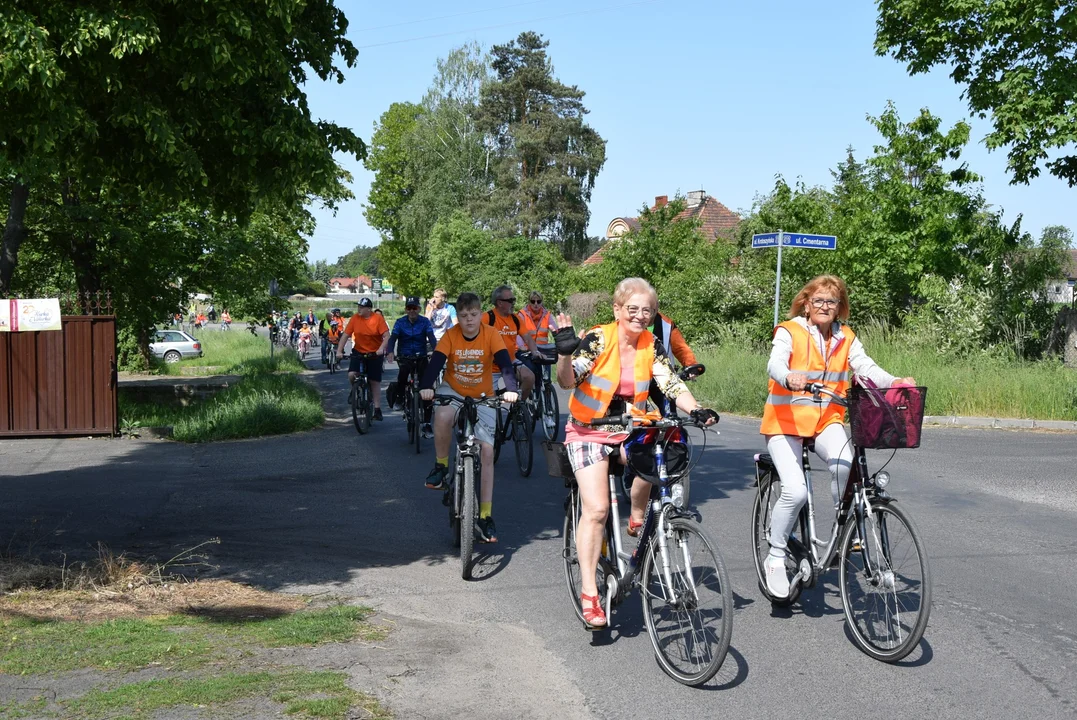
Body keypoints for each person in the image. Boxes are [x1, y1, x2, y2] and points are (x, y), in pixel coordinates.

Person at [554, 277, 718, 628]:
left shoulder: (651, 343)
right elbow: (567, 381)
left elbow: (670, 383)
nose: (641, 316)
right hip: (590, 429)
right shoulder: (599, 338)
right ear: (617, 309)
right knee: (596, 509)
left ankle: (639, 516)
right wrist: (566, 354)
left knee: (663, 455)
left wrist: (697, 409)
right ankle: (589, 593)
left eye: (647, 310)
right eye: (633, 309)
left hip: (632, 425)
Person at [760, 274, 915, 599]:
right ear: (806, 302)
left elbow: (865, 367)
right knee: (796, 490)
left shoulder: (846, 336)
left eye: (832, 301)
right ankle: (775, 557)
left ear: (839, 306)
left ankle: (843, 529)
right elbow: (774, 363)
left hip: (824, 420)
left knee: (847, 465)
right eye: (818, 300)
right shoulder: (790, 331)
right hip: (784, 422)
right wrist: (788, 376)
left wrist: (895, 381)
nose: (825, 306)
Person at [419, 292, 519, 543]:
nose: (469, 320)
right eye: (463, 316)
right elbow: (436, 363)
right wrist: (426, 385)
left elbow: (505, 364)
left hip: (483, 393)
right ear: (458, 317)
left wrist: (511, 389)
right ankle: (441, 467)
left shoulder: (491, 334)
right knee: (441, 416)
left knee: (486, 452)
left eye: (473, 315)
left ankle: (485, 516)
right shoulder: (451, 336)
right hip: (452, 390)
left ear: (480, 313)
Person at [386, 297, 438, 438]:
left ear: (419, 309)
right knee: (403, 374)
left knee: (427, 388)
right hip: (405, 356)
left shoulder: (425, 322)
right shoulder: (400, 322)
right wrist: (390, 351)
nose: (412, 311)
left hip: (421, 356)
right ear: (405, 310)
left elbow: (431, 338)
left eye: (414, 308)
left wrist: (436, 352)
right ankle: (400, 398)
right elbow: (393, 338)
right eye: (409, 308)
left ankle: (426, 424)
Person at [338, 298, 390, 421]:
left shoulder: (377, 319)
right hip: (359, 351)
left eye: (362, 307)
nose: (359, 309)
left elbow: (387, 336)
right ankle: (355, 390)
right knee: (352, 374)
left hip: (375, 352)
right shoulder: (355, 318)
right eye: (358, 307)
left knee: (374, 380)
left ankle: (377, 409)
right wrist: (339, 351)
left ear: (369, 309)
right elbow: (346, 335)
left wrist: (382, 348)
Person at [485, 285, 540, 400]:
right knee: (491, 402)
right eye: (511, 300)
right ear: (499, 303)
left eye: (513, 300)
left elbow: (528, 338)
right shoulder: (487, 318)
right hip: (490, 367)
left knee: (529, 377)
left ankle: (519, 407)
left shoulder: (515, 319)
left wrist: (535, 351)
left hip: (510, 361)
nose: (513, 303)